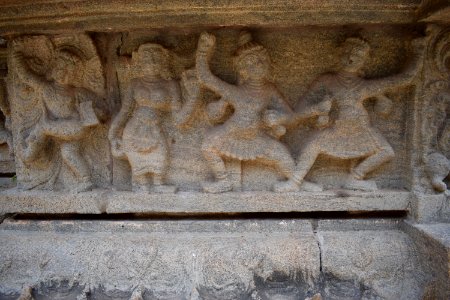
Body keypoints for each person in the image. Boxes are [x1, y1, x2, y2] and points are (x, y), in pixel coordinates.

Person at [274, 37, 424, 192]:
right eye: (347, 53)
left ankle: (355, 178)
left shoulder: (364, 86)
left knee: (386, 152)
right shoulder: (327, 81)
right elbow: (298, 110)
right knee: (313, 146)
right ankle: (295, 181)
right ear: (339, 54)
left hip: (361, 129)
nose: (351, 58)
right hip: (337, 128)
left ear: (365, 60)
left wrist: (418, 52)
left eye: (358, 56)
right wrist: (317, 109)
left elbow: (405, 79)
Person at [196, 31, 329, 193]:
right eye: (251, 62)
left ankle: (297, 181)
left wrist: (303, 112)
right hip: (230, 134)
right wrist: (203, 51)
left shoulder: (269, 90)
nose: (258, 64)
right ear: (242, 68)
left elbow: (291, 117)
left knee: (282, 154)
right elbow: (205, 78)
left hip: (257, 137)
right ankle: (223, 180)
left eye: (260, 60)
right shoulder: (234, 92)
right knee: (207, 146)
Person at [12, 40, 106, 192]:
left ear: (75, 74)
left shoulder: (77, 92)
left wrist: (98, 113)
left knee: (43, 128)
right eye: (60, 68)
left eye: (69, 71)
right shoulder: (46, 88)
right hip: (63, 129)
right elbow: (26, 76)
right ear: (54, 68)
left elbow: (102, 106)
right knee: (68, 153)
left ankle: (27, 154)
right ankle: (85, 179)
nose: (64, 73)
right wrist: (17, 56)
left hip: (75, 127)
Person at [109, 43, 191, 193]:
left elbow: (178, 117)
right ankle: (141, 185)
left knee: (161, 157)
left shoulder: (171, 85)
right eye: (147, 59)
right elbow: (125, 111)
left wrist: (194, 98)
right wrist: (113, 134)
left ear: (163, 62)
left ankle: (158, 184)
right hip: (134, 129)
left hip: (155, 128)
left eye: (156, 59)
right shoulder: (135, 83)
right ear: (140, 63)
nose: (152, 63)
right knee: (138, 165)